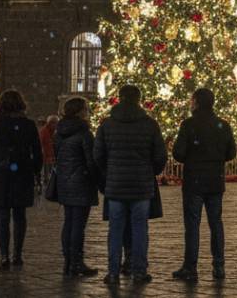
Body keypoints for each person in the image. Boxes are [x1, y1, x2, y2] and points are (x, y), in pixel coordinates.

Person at [94, 84, 167, 284]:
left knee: (115, 229)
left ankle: (113, 272)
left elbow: (98, 155)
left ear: (119, 98)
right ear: (139, 99)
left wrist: (110, 173)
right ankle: (139, 271)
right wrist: (150, 171)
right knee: (140, 229)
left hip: (116, 186)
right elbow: (160, 155)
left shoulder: (107, 125)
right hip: (141, 186)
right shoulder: (150, 124)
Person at [173, 87, 237, 282]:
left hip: (194, 181)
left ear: (197, 102)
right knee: (216, 223)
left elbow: (178, 153)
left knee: (192, 224)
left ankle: (190, 266)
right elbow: (232, 153)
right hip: (215, 180)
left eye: (192, 100)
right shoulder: (223, 125)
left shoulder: (189, 124)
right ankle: (219, 265)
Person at [0, 90, 41, 270]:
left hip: (2, 173)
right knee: (20, 215)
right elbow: (37, 152)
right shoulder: (29, 125)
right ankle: (17, 254)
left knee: (3, 216)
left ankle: (3, 256)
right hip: (23, 173)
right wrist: (34, 171)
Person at [51, 97, 99, 278]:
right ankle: (76, 262)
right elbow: (91, 161)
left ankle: (68, 261)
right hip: (82, 182)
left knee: (69, 222)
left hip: (64, 182)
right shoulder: (84, 134)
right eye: (86, 108)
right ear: (80, 111)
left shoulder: (59, 132)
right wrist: (97, 180)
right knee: (78, 224)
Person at [39, 115, 58, 192]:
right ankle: (46, 184)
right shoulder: (44, 131)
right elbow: (42, 143)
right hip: (45, 154)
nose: (57, 125)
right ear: (51, 123)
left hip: (52, 154)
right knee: (46, 171)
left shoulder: (54, 131)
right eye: (55, 123)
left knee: (51, 170)